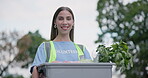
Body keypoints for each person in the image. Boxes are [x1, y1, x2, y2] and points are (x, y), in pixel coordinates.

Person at [31, 6, 91, 78]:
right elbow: (35, 70)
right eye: (61, 19)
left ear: (73, 23)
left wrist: (75, 63)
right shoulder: (45, 47)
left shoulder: (82, 49)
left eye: (68, 19)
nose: (65, 22)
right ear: (55, 22)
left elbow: (92, 70)